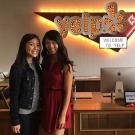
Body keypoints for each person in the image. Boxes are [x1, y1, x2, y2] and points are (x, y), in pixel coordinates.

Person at [41, 30, 73, 135]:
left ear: (59, 43)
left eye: (54, 42)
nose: (50, 46)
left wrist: (62, 115)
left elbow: (68, 92)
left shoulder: (66, 65)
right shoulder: (45, 62)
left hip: (59, 104)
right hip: (47, 102)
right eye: (47, 43)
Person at [9, 33, 41, 135]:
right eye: (31, 44)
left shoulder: (37, 66)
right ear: (24, 46)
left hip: (35, 112)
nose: (35, 48)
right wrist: (15, 121)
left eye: (38, 45)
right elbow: (13, 96)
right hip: (23, 114)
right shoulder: (17, 67)